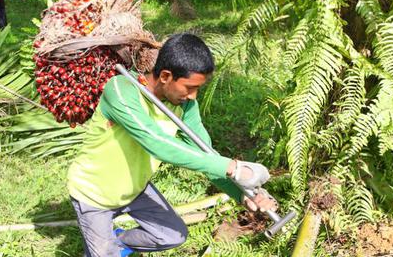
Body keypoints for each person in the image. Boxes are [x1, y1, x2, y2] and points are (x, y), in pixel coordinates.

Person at [67, 33, 277, 257]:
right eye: (189, 87)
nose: (193, 96)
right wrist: (234, 168)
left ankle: (114, 241)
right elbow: (154, 141)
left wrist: (244, 194)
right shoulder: (121, 90)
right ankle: (103, 247)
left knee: (172, 235)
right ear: (166, 76)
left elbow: (206, 155)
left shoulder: (185, 107)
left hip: (135, 190)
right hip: (94, 194)